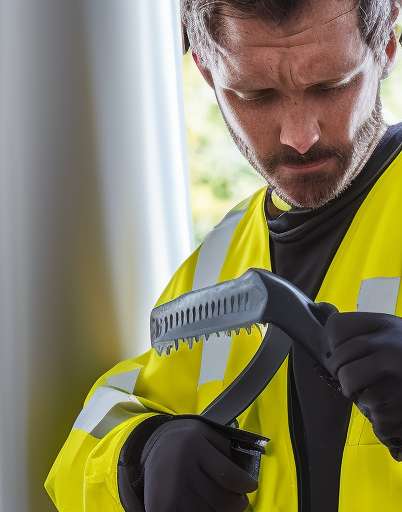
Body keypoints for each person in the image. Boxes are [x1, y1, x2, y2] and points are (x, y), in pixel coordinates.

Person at [45, 0, 402, 510]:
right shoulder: (213, 265)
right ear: (207, 72)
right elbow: (85, 444)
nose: (299, 136)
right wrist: (138, 458)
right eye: (255, 95)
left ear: (387, 43)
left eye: (331, 86)